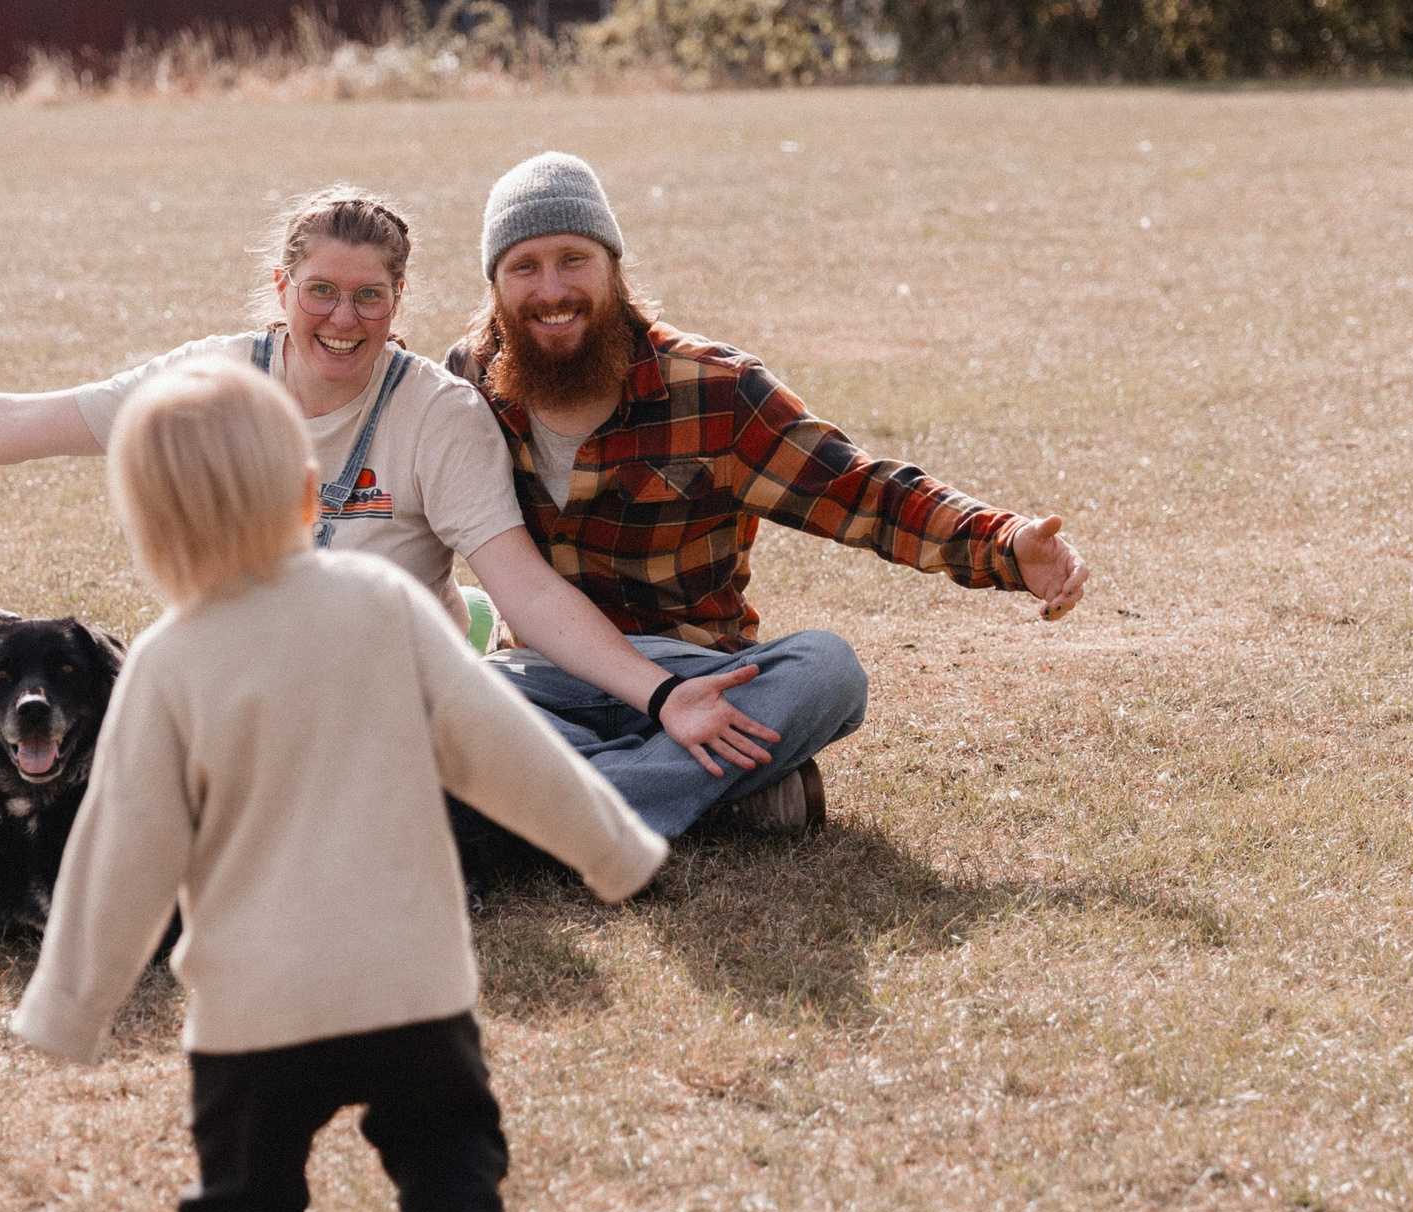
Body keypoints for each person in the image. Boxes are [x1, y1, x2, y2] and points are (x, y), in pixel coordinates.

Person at [11, 356, 667, 1212]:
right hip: (411, 979)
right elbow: (501, 745)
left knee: (244, 1199)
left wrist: (71, 1006)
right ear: (308, 490)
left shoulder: (169, 663)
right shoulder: (382, 601)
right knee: (449, 1143)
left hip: (256, 1008)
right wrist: (613, 849)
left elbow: (123, 848)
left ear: (149, 529)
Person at [0, 186, 783, 822]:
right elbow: (20, 422)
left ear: (399, 299)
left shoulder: (438, 414)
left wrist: (661, 696)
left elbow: (525, 591)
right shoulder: (213, 381)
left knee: (817, 674)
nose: (345, 319)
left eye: (369, 296)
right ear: (283, 289)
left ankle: (568, 779)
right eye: (323, 292)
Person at [447, 151, 1090, 842]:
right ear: (495, 285)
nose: (551, 290)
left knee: (827, 670)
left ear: (613, 266)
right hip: (543, 681)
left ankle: (559, 811)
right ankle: (708, 793)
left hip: (699, 673)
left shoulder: (716, 390)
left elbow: (862, 492)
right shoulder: (466, 384)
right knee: (428, 704)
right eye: (524, 267)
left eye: (573, 259)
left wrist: (1004, 544)